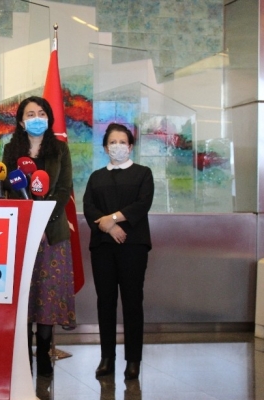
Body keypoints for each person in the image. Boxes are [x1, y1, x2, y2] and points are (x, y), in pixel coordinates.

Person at [1, 96, 76, 377]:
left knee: (48, 295)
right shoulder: (11, 150)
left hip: (52, 233)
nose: (36, 118)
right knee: (23, 295)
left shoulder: (60, 149)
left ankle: (44, 355)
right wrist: (29, 222)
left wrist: (43, 220)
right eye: (30, 114)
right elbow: (8, 187)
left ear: (49, 118)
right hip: (21, 234)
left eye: (41, 113)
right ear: (21, 121)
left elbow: (64, 188)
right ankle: (22, 358)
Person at [83, 123, 154, 381]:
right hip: (103, 246)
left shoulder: (143, 173)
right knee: (106, 302)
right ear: (105, 148)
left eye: (122, 142)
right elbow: (89, 207)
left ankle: (133, 360)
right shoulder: (96, 177)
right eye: (112, 142)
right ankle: (107, 358)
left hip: (133, 245)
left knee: (132, 301)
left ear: (130, 146)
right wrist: (110, 227)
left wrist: (111, 219)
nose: (117, 146)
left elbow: (142, 204)